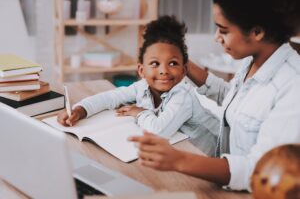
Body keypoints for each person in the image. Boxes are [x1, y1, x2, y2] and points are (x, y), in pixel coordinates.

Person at [129, 0, 300, 191]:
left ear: (257, 32)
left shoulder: (293, 86)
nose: (216, 37)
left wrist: (179, 160)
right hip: (221, 182)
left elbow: (261, 171)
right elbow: (236, 99)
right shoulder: (254, 61)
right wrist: (178, 61)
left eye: (223, 30)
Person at [57, 16, 219, 155]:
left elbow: (159, 131)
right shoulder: (143, 87)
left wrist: (139, 112)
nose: (163, 71)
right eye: (155, 63)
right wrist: (81, 110)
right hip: (179, 149)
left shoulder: (183, 95)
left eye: (173, 63)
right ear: (142, 70)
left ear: (184, 70)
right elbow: (111, 97)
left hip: (210, 157)